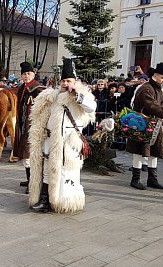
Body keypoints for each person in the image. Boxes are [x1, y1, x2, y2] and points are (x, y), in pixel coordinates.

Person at [28, 58, 97, 213]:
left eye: (69, 81)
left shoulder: (82, 95)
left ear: (75, 81)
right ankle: (45, 200)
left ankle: (63, 201)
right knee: (47, 170)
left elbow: (91, 108)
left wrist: (78, 97)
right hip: (50, 139)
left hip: (68, 143)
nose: (66, 84)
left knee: (66, 172)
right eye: (64, 81)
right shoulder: (52, 96)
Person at [126, 62, 163, 190]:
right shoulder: (146, 88)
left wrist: (162, 118)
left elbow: (160, 106)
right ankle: (135, 180)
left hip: (154, 124)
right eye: (162, 78)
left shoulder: (157, 88)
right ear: (155, 75)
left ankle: (152, 179)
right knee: (139, 152)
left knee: (154, 152)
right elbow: (152, 106)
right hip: (141, 124)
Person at [12, 61, 45, 193]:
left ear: (33, 74)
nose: (26, 76)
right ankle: (29, 178)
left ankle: (33, 183)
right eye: (24, 74)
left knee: (29, 154)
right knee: (26, 153)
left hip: (33, 126)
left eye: (28, 73)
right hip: (23, 125)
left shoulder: (38, 89)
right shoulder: (22, 88)